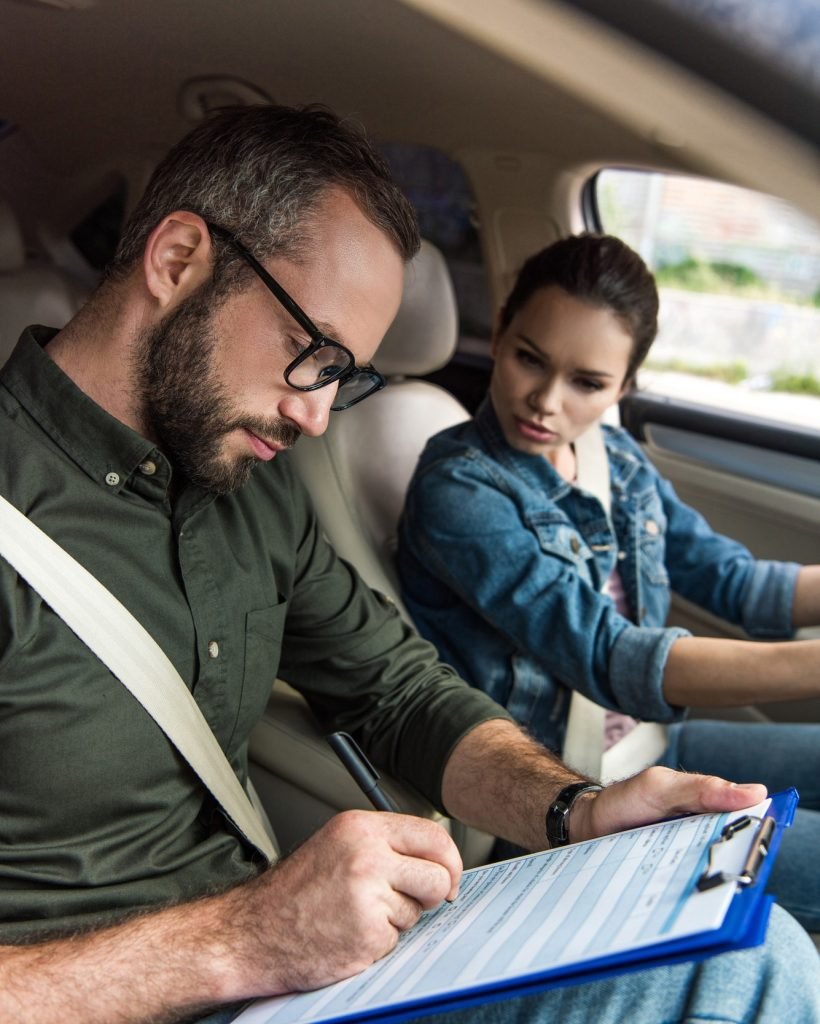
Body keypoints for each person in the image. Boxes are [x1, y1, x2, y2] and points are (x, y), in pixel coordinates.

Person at [0, 110, 817, 1024]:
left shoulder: (250, 489)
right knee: (746, 975)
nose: (316, 419)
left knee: (739, 944)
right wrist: (243, 938)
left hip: (299, 980)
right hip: (175, 981)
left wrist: (578, 809)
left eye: (344, 379)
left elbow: (399, 691)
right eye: (313, 356)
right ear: (179, 259)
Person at [397, 232, 820, 934]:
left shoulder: (614, 457)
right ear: (499, 335)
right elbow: (609, 656)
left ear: (624, 387)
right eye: (530, 358)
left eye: (587, 383)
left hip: (656, 750)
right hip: (571, 793)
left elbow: (731, 578)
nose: (544, 401)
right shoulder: (459, 489)